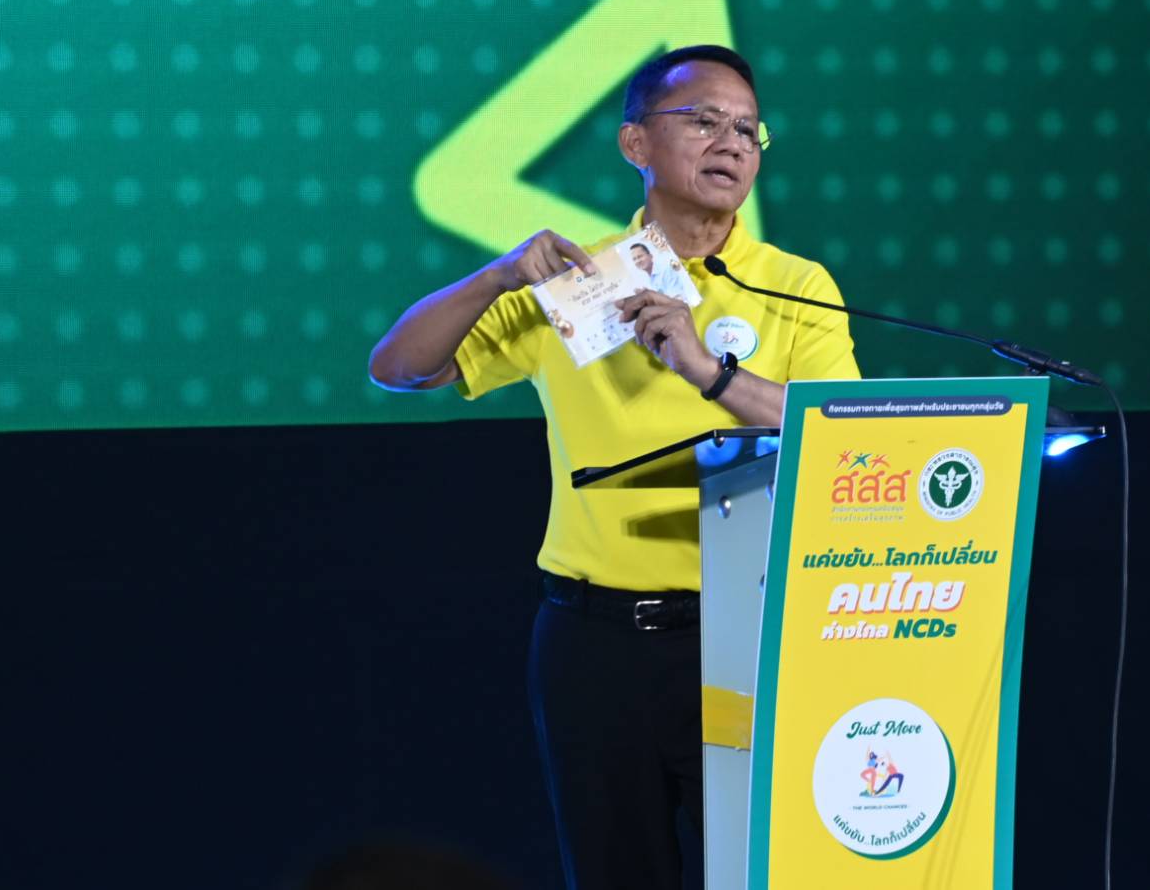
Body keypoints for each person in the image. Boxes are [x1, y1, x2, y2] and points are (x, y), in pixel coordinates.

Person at [367, 45, 859, 890]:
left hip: (747, 635)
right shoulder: (574, 284)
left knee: (760, 873)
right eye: (704, 120)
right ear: (636, 144)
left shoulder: (796, 284)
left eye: (747, 129)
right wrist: (495, 278)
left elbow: (839, 436)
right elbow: (398, 367)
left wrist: (707, 370)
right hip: (595, 646)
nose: (731, 143)